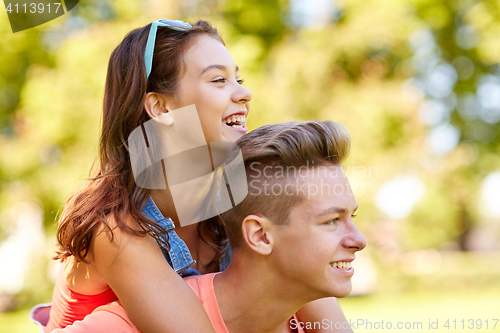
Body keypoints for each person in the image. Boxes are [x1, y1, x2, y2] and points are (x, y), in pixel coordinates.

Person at [44, 18, 351, 333]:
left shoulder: (238, 197)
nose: (244, 93)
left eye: (238, 78)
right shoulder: (115, 226)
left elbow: (312, 299)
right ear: (161, 108)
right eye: (219, 80)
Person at [51, 120, 366, 333]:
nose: (359, 240)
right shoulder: (129, 324)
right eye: (331, 221)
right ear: (259, 235)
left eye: (352, 217)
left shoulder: (311, 317)